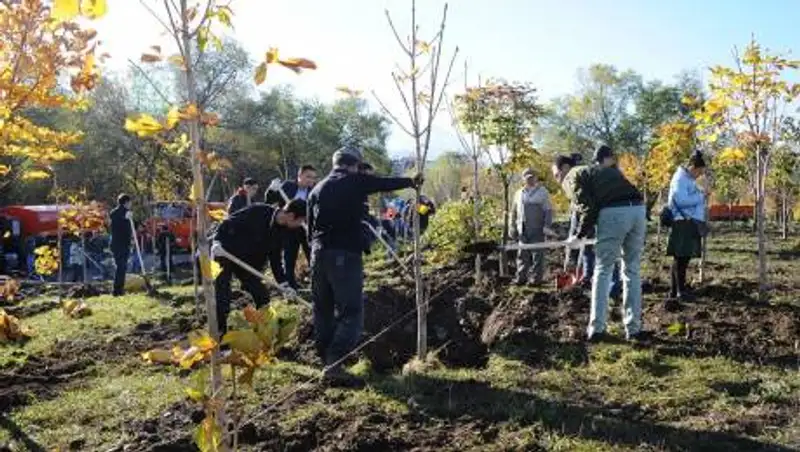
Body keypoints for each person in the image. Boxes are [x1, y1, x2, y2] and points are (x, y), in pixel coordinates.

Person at [308, 145, 423, 386]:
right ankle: (335, 362)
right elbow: (382, 183)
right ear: (354, 166)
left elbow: (309, 227)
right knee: (351, 311)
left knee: (323, 310)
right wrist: (411, 181)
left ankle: (326, 360)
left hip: (318, 254)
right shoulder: (352, 181)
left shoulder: (316, 189)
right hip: (344, 255)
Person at [553, 145, 647, 342]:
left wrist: (578, 237)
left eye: (555, 175)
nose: (557, 180)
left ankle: (597, 330)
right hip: (638, 210)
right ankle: (634, 329)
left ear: (563, 169)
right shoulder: (596, 171)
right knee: (632, 270)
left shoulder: (571, 177)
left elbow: (589, 208)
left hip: (614, 211)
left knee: (603, 269)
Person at [212, 200, 307, 336]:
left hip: (248, 264)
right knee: (222, 295)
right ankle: (220, 336)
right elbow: (228, 222)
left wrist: (284, 284)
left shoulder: (283, 232)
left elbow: (275, 260)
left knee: (262, 296)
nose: (300, 225)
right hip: (224, 252)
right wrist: (217, 241)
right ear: (291, 216)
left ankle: (263, 332)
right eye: (301, 221)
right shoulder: (259, 211)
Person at [265, 165, 318, 290]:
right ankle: (291, 288)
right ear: (299, 176)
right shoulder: (287, 186)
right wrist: (271, 189)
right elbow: (269, 199)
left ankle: (317, 285)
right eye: (308, 176)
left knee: (313, 256)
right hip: (289, 229)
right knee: (289, 258)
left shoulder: (315, 191)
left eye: (313, 178)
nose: (311, 180)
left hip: (307, 228)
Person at [666, 150, 707, 304]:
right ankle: (679, 291)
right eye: (698, 171)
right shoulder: (680, 179)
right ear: (691, 167)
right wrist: (701, 196)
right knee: (681, 258)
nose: (699, 175)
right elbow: (681, 200)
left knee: (683, 258)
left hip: (688, 221)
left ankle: (677, 289)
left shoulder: (687, 179)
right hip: (682, 222)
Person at [510, 168, 554, 285]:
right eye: (527, 178)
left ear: (536, 178)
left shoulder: (542, 192)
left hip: (537, 227)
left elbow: (548, 210)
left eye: (532, 177)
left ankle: (536, 279)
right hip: (522, 227)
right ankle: (521, 278)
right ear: (523, 178)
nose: (530, 180)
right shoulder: (519, 193)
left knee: (537, 254)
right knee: (522, 254)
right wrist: (512, 227)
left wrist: (547, 226)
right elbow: (513, 211)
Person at [109, 194, 133, 296]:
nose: (131, 204)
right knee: (121, 267)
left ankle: (119, 289)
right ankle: (117, 290)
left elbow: (129, 228)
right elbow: (117, 222)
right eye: (130, 202)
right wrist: (125, 218)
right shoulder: (117, 213)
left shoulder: (126, 213)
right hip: (119, 244)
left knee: (122, 267)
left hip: (123, 244)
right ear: (126, 202)